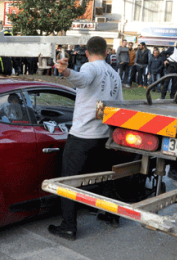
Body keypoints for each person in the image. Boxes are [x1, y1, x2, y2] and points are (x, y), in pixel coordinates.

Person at [48, 36, 123, 241]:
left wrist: (65, 71)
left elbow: (82, 80)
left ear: (87, 53)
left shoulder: (90, 68)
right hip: (104, 136)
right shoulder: (115, 74)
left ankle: (68, 226)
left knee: (68, 181)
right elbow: (119, 106)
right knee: (106, 177)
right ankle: (111, 216)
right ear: (106, 53)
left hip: (82, 135)